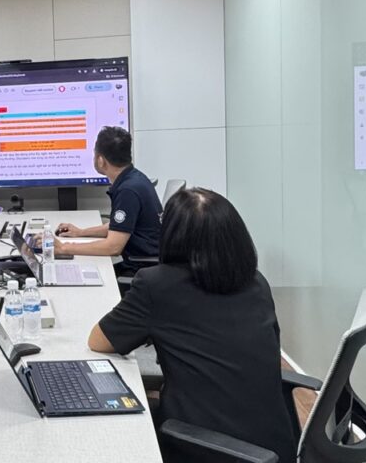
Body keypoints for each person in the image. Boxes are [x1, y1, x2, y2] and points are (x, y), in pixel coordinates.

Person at [87, 189, 297, 463]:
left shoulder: (156, 285)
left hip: (202, 447)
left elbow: (98, 341)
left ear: (172, 236)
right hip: (274, 447)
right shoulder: (257, 282)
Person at [54, 126, 161, 274]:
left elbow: (113, 247)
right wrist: (81, 232)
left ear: (100, 160)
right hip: (146, 263)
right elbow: (119, 226)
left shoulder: (127, 191)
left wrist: (64, 248)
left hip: (140, 270)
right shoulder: (134, 178)